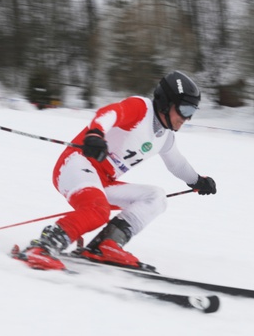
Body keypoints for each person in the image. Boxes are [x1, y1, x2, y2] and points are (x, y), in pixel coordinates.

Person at [21, 70, 217, 270]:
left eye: (191, 112)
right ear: (167, 102)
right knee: (98, 211)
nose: (187, 118)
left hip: (103, 180)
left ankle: (106, 245)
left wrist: (198, 181)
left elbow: (177, 164)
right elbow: (109, 114)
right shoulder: (141, 108)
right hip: (76, 165)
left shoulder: (165, 137)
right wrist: (96, 134)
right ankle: (43, 247)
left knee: (156, 197)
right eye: (184, 109)